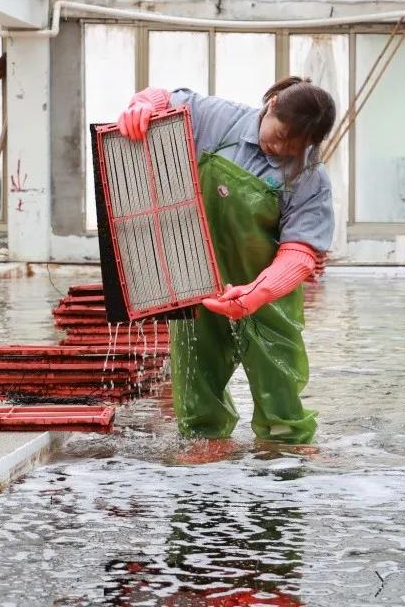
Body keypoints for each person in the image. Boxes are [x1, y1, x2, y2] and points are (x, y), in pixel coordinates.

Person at [116, 77, 336, 447]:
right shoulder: (219, 120)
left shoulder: (311, 177)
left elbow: (301, 252)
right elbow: (168, 99)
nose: (280, 148)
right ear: (272, 103)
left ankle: (286, 450)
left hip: (266, 294)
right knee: (196, 376)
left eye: (294, 147)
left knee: (279, 386)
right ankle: (205, 443)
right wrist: (143, 106)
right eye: (279, 134)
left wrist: (257, 293)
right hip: (197, 279)